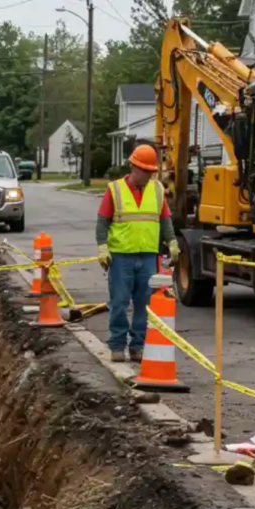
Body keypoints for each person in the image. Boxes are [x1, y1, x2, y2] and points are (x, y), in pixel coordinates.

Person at [95, 144, 179, 363]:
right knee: (120, 302)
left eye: (151, 171)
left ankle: (138, 345)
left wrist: (171, 241)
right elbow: (103, 221)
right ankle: (117, 344)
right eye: (144, 170)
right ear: (133, 167)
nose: (148, 175)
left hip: (149, 255)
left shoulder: (158, 190)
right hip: (122, 255)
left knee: (144, 303)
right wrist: (102, 247)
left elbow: (164, 220)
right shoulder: (114, 190)